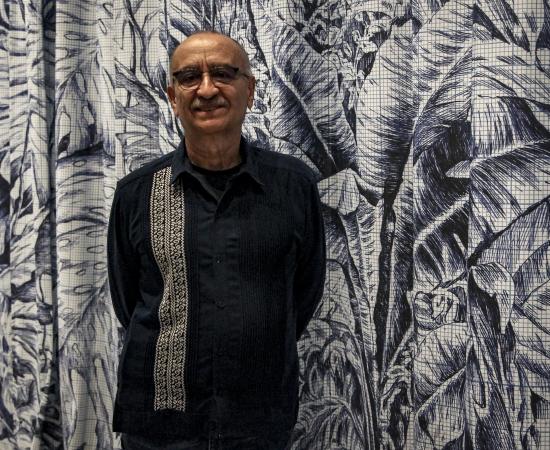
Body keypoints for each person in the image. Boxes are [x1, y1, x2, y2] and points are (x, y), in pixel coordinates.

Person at [107, 30, 326, 450]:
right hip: (160, 426)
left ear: (250, 90)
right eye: (190, 77)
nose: (207, 89)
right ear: (173, 97)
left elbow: (303, 293)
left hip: (259, 422)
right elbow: (127, 300)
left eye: (223, 74)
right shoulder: (136, 194)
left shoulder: (293, 186)